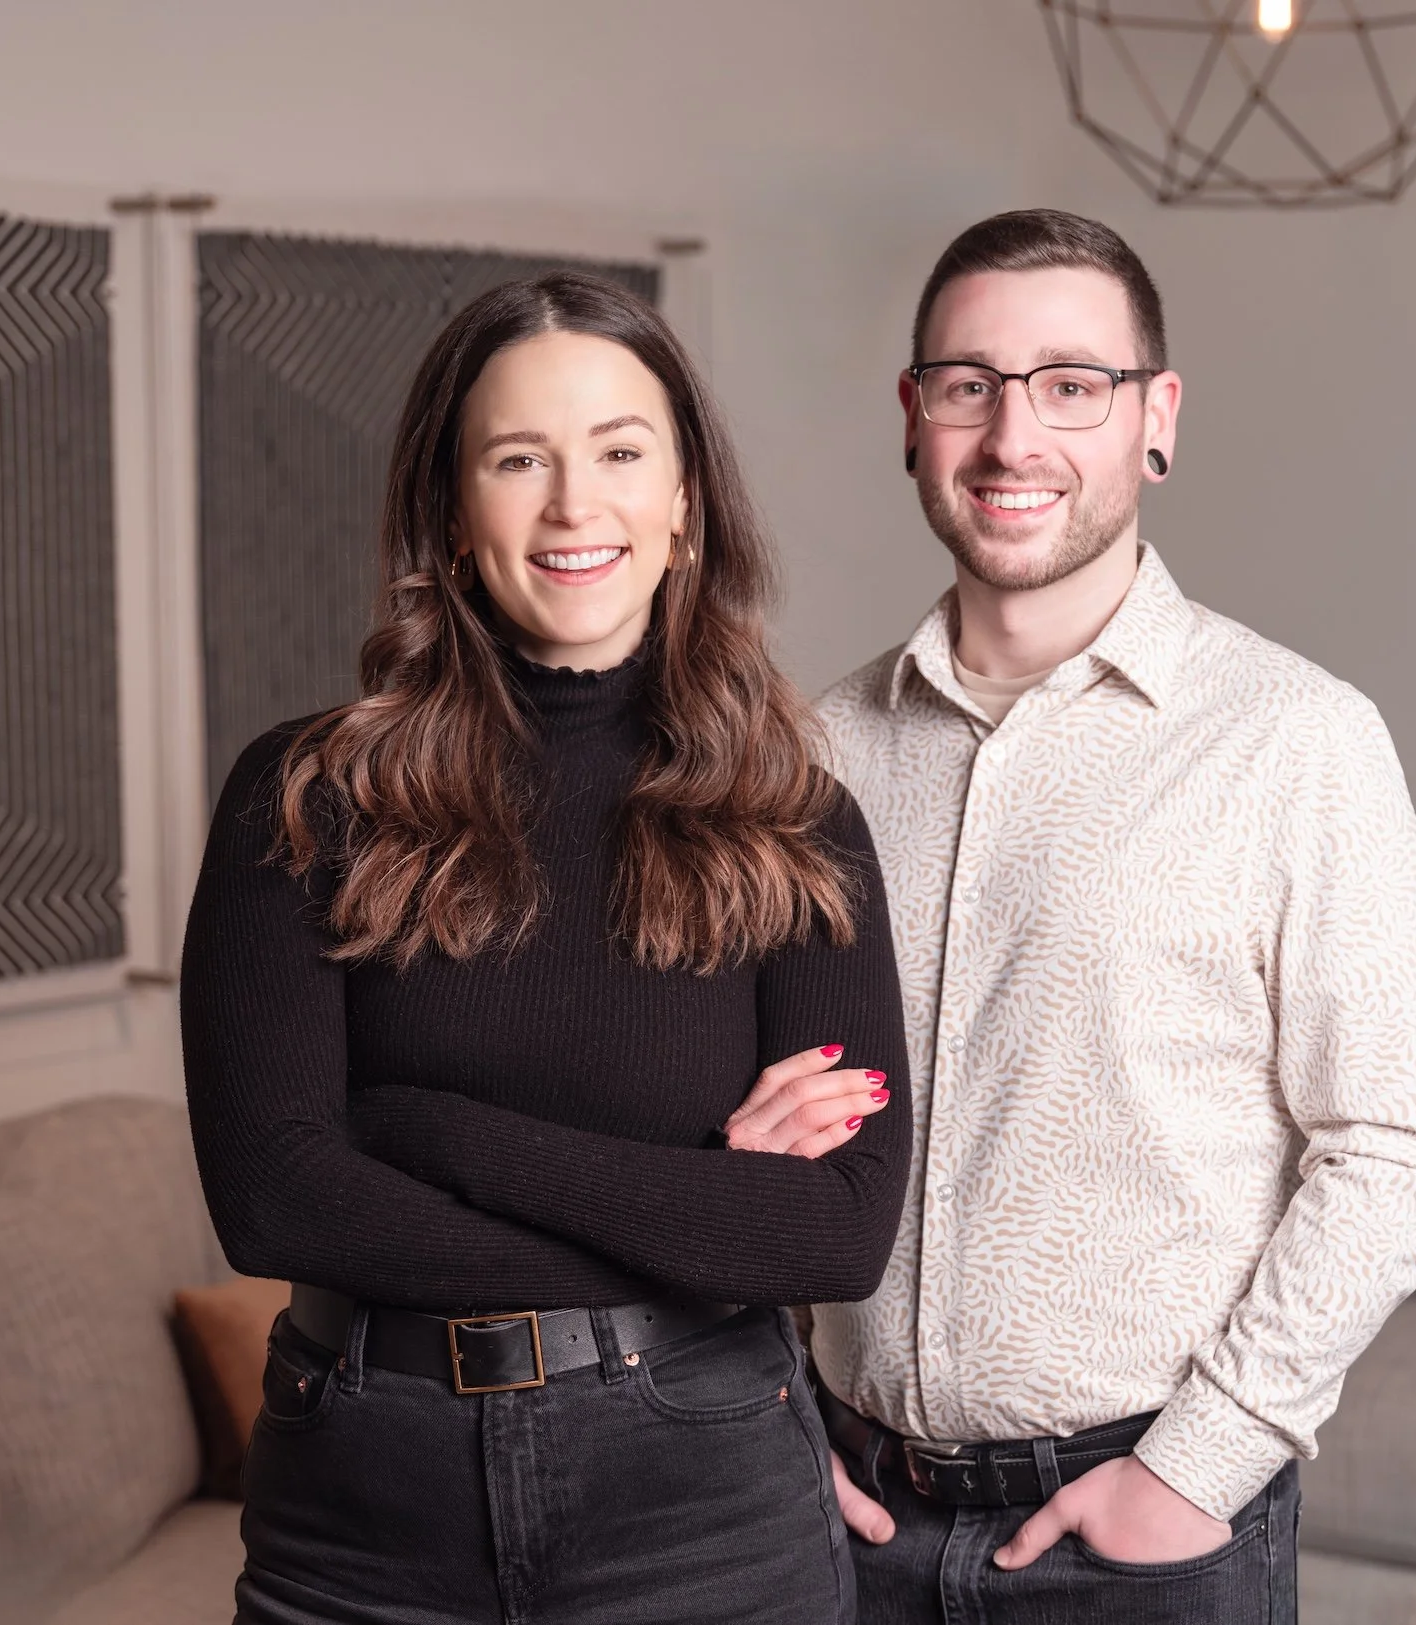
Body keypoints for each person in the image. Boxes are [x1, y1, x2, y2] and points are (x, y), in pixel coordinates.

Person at [179, 271, 912, 1625]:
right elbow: (273, 1202)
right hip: (365, 1497)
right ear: (452, 515)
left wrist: (432, 1135)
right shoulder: (306, 797)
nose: (575, 506)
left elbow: (838, 1230)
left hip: (703, 1496)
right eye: (519, 461)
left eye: (621, 454)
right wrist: (700, 1221)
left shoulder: (792, 822)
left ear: (684, 500)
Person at [786, 209, 1416, 1622]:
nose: (1012, 437)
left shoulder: (1297, 741)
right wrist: (759, 1420)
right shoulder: (810, 753)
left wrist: (1199, 1467)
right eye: (969, 384)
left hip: (1139, 1536)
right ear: (912, 419)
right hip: (837, 1525)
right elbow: (728, 1130)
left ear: (1154, 420)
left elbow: (1399, 1156)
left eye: (1070, 385)